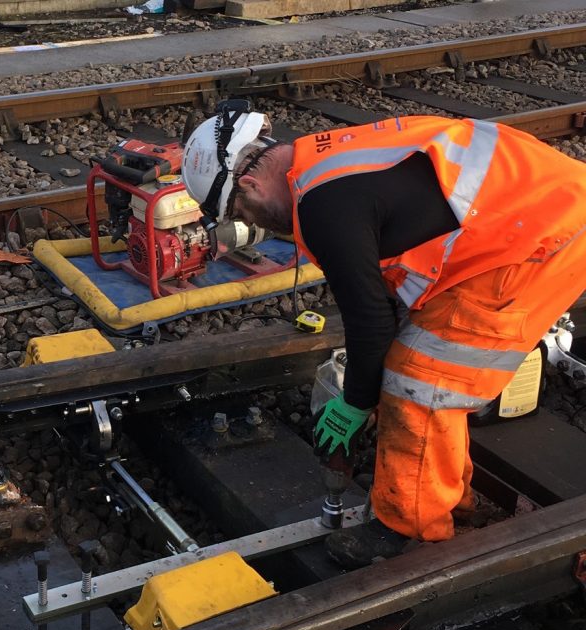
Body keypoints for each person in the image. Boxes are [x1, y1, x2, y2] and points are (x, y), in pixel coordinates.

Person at [181, 102, 586, 568]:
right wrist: (363, 394)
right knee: (418, 362)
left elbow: (370, 320)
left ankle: (411, 531)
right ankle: (448, 497)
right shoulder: (324, 159)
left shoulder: (321, 207)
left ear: (248, 184)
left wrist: (355, 404)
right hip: (535, 208)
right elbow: (386, 296)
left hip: (540, 237)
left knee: (420, 382)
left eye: (241, 211)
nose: (252, 223)